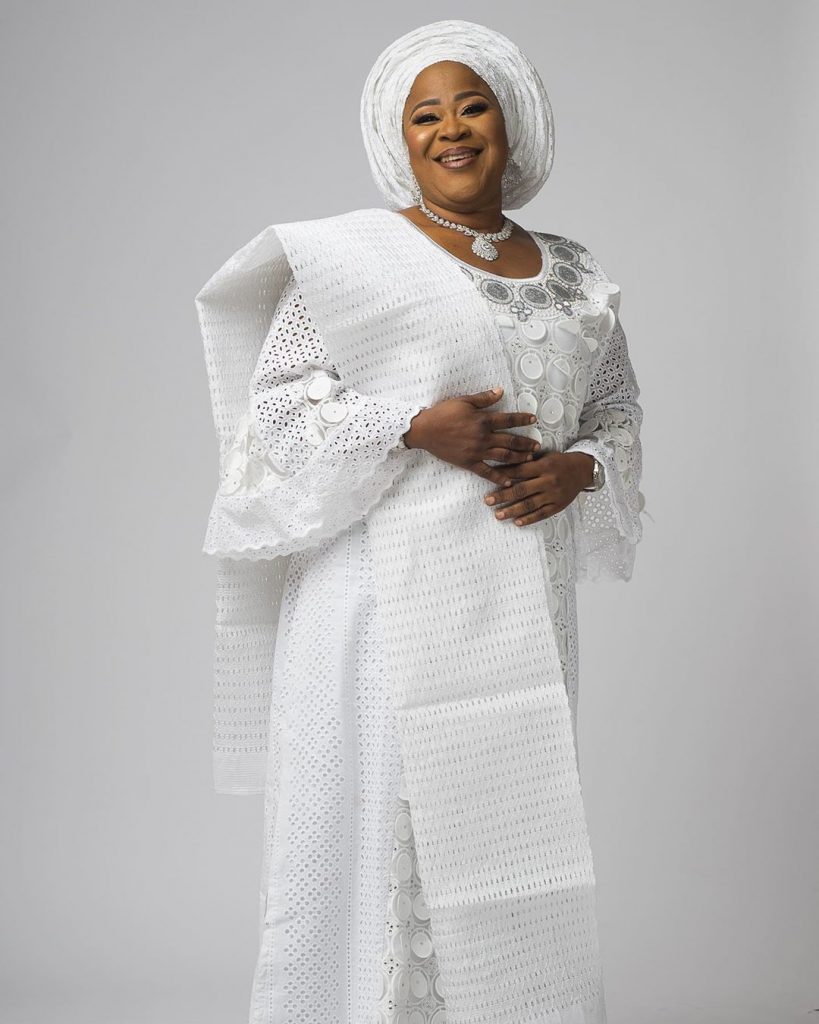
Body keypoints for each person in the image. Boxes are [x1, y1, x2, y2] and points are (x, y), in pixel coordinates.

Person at [196, 19, 645, 1024]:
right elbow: (279, 409)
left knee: (508, 832)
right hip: (379, 607)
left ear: (511, 123)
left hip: (520, 612)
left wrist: (576, 469)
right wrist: (412, 425)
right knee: (380, 824)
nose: (452, 130)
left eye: (472, 106)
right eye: (425, 115)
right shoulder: (354, 260)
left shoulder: (574, 275)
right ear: (398, 140)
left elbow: (614, 412)